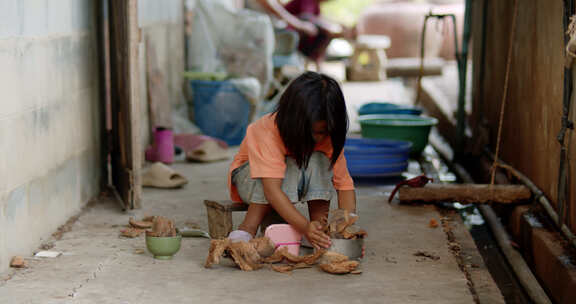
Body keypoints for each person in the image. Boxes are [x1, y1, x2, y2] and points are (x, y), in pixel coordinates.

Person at [227, 71, 357, 250]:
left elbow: (345, 186)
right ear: (294, 120)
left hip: (288, 183)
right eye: (314, 132)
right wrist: (303, 227)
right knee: (285, 166)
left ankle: (318, 228)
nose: (319, 138)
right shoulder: (267, 131)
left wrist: (345, 228)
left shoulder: (329, 136)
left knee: (320, 160)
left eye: (324, 132)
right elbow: (271, 190)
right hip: (250, 179)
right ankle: (247, 228)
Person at [247, 0, 356, 71]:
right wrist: (300, 25)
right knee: (317, 27)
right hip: (276, 38)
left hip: (280, 36)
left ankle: (318, 65)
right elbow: (303, 17)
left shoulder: (315, 5)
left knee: (321, 29)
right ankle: (317, 66)